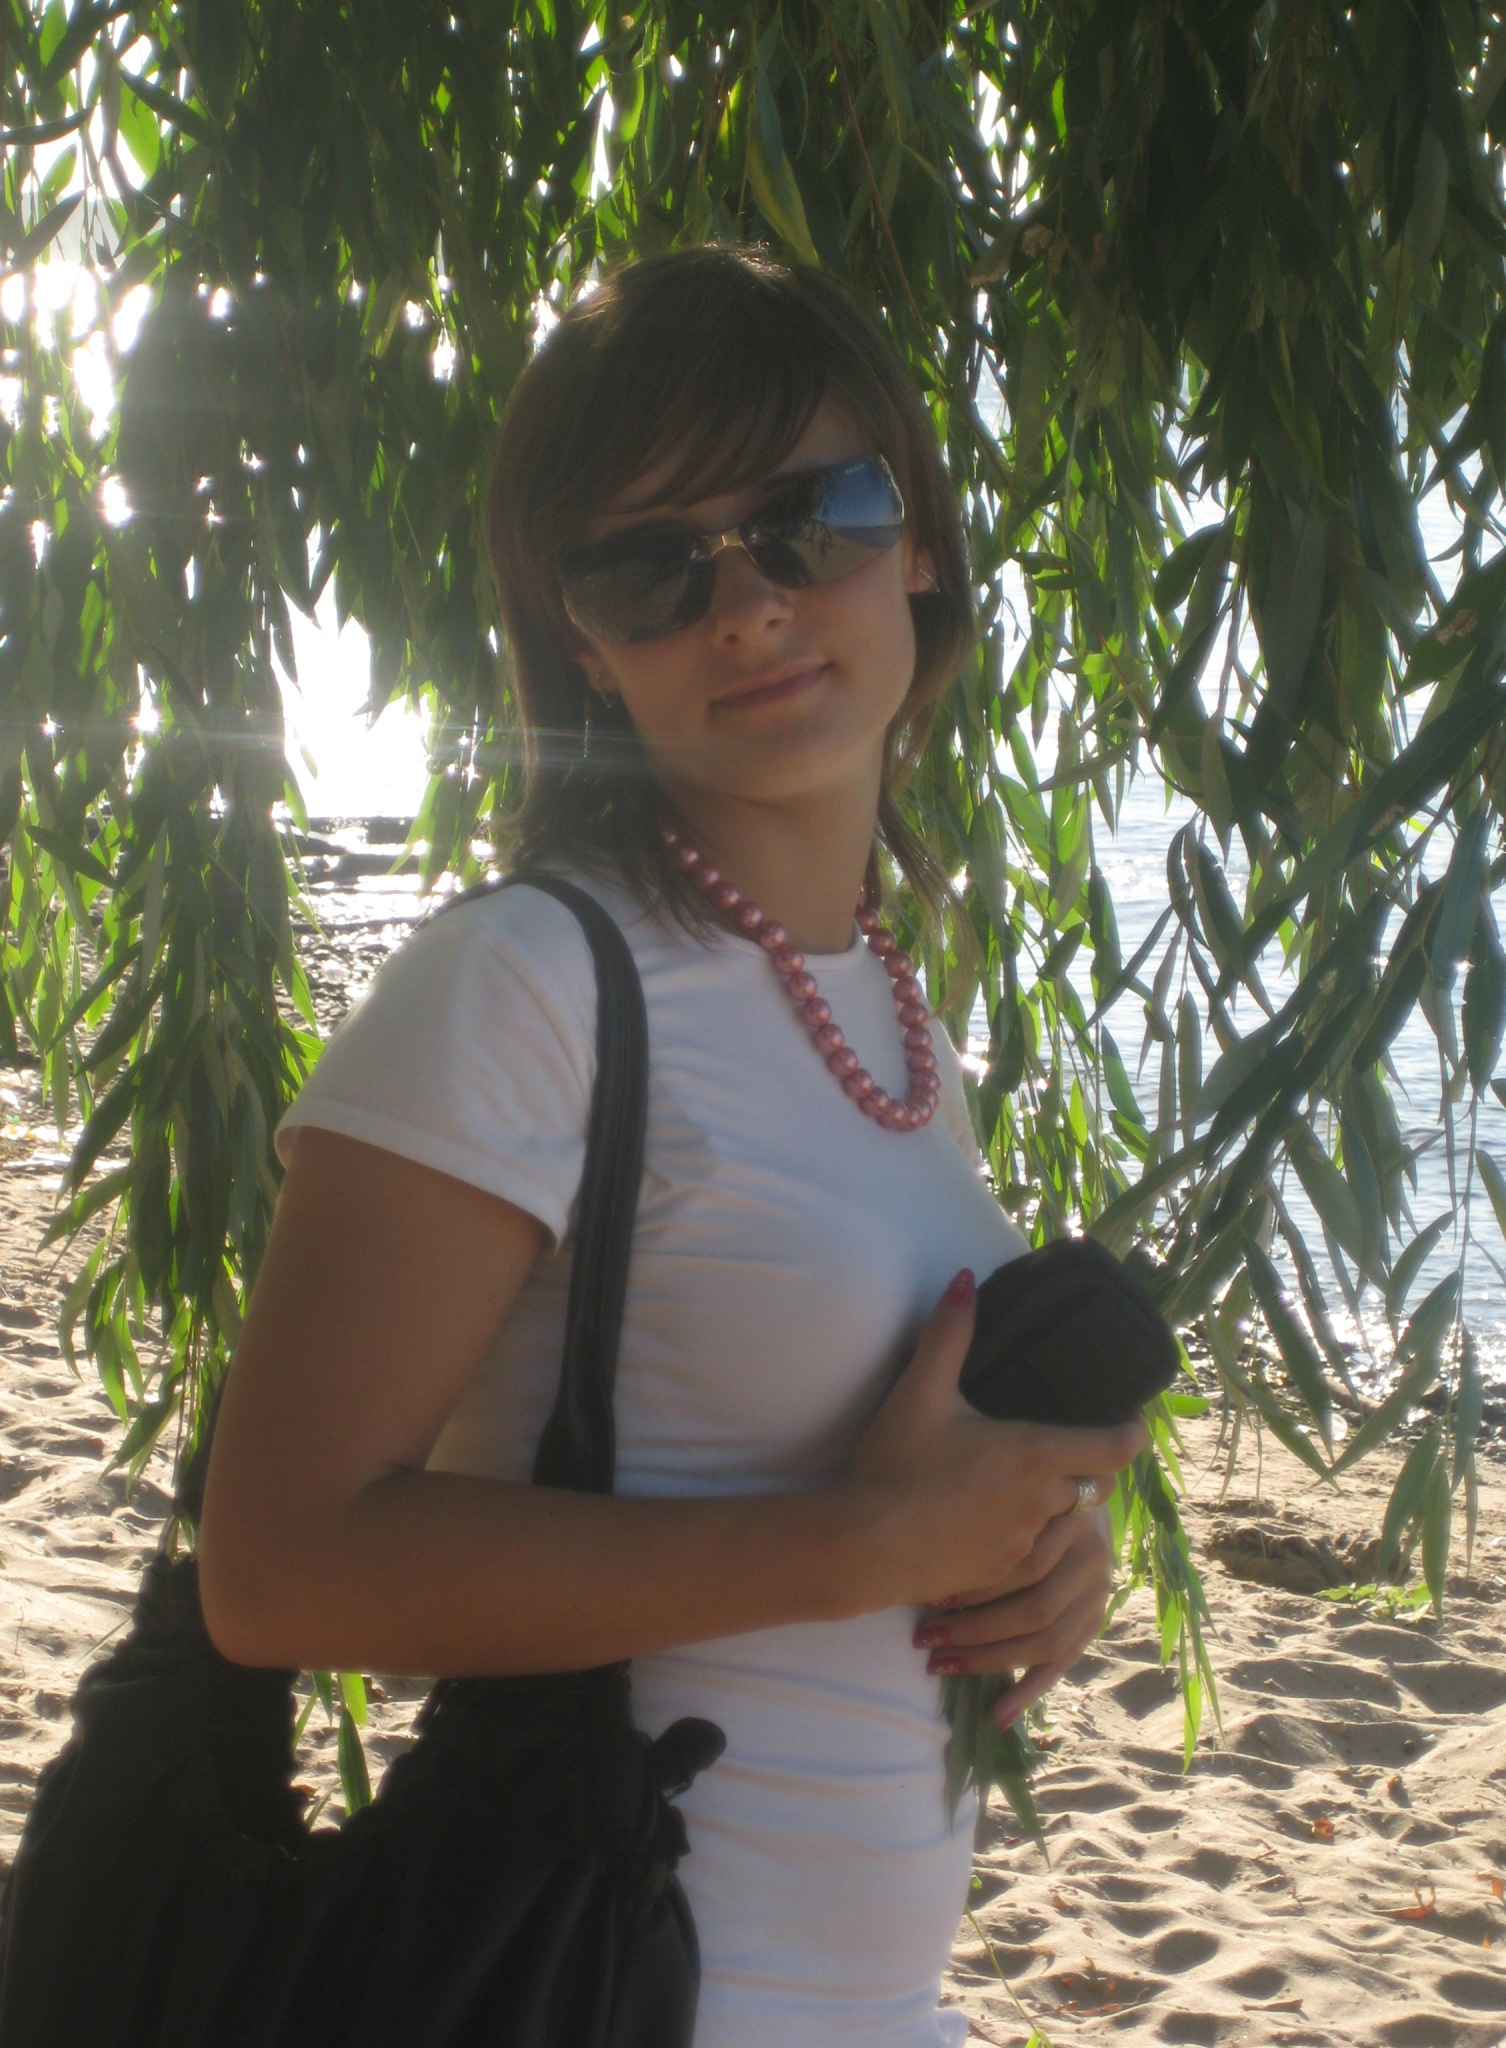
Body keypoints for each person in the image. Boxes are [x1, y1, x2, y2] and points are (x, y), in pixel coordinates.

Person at [198, 245, 1147, 2048]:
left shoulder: (888, 1003)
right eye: (651, 566)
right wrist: (868, 1543)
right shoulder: (529, 981)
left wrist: (1025, 1558)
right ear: (583, 641)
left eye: (811, 519)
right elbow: (277, 1570)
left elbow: (838, 1466)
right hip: (614, 1992)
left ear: (917, 533)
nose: (748, 607)